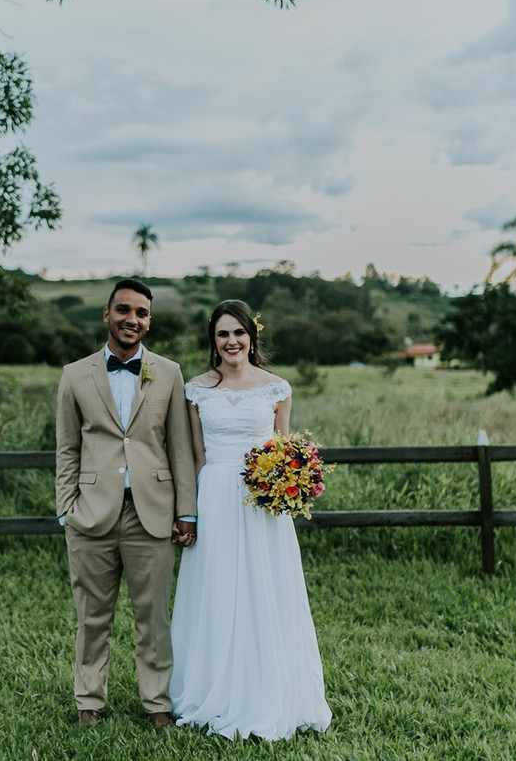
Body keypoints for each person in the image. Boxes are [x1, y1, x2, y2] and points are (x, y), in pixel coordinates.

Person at [168, 299, 332, 741]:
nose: (231, 341)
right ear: (213, 341)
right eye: (222, 334)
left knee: (265, 589)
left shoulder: (277, 388)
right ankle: (211, 687)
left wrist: (289, 481)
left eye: (238, 333)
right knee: (217, 589)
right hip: (216, 495)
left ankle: (269, 690)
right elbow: (197, 456)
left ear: (251, 337)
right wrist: (193, 512)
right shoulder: (196, 389)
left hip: (262, 504)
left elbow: (282, 448)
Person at [55, 278, 198, 729]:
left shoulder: (169, 372)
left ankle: (157, 704)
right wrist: (66, 508)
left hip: (151, 514)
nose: (131, 320)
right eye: (123, 310)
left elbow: (180, 448)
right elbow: (66, 448)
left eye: (141, 313)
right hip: (91, 513)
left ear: (149, 321)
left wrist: (186, 512)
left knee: (152, 619)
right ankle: (89, 704)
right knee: (91, 617)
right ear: (107, 314)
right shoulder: (75, 374)